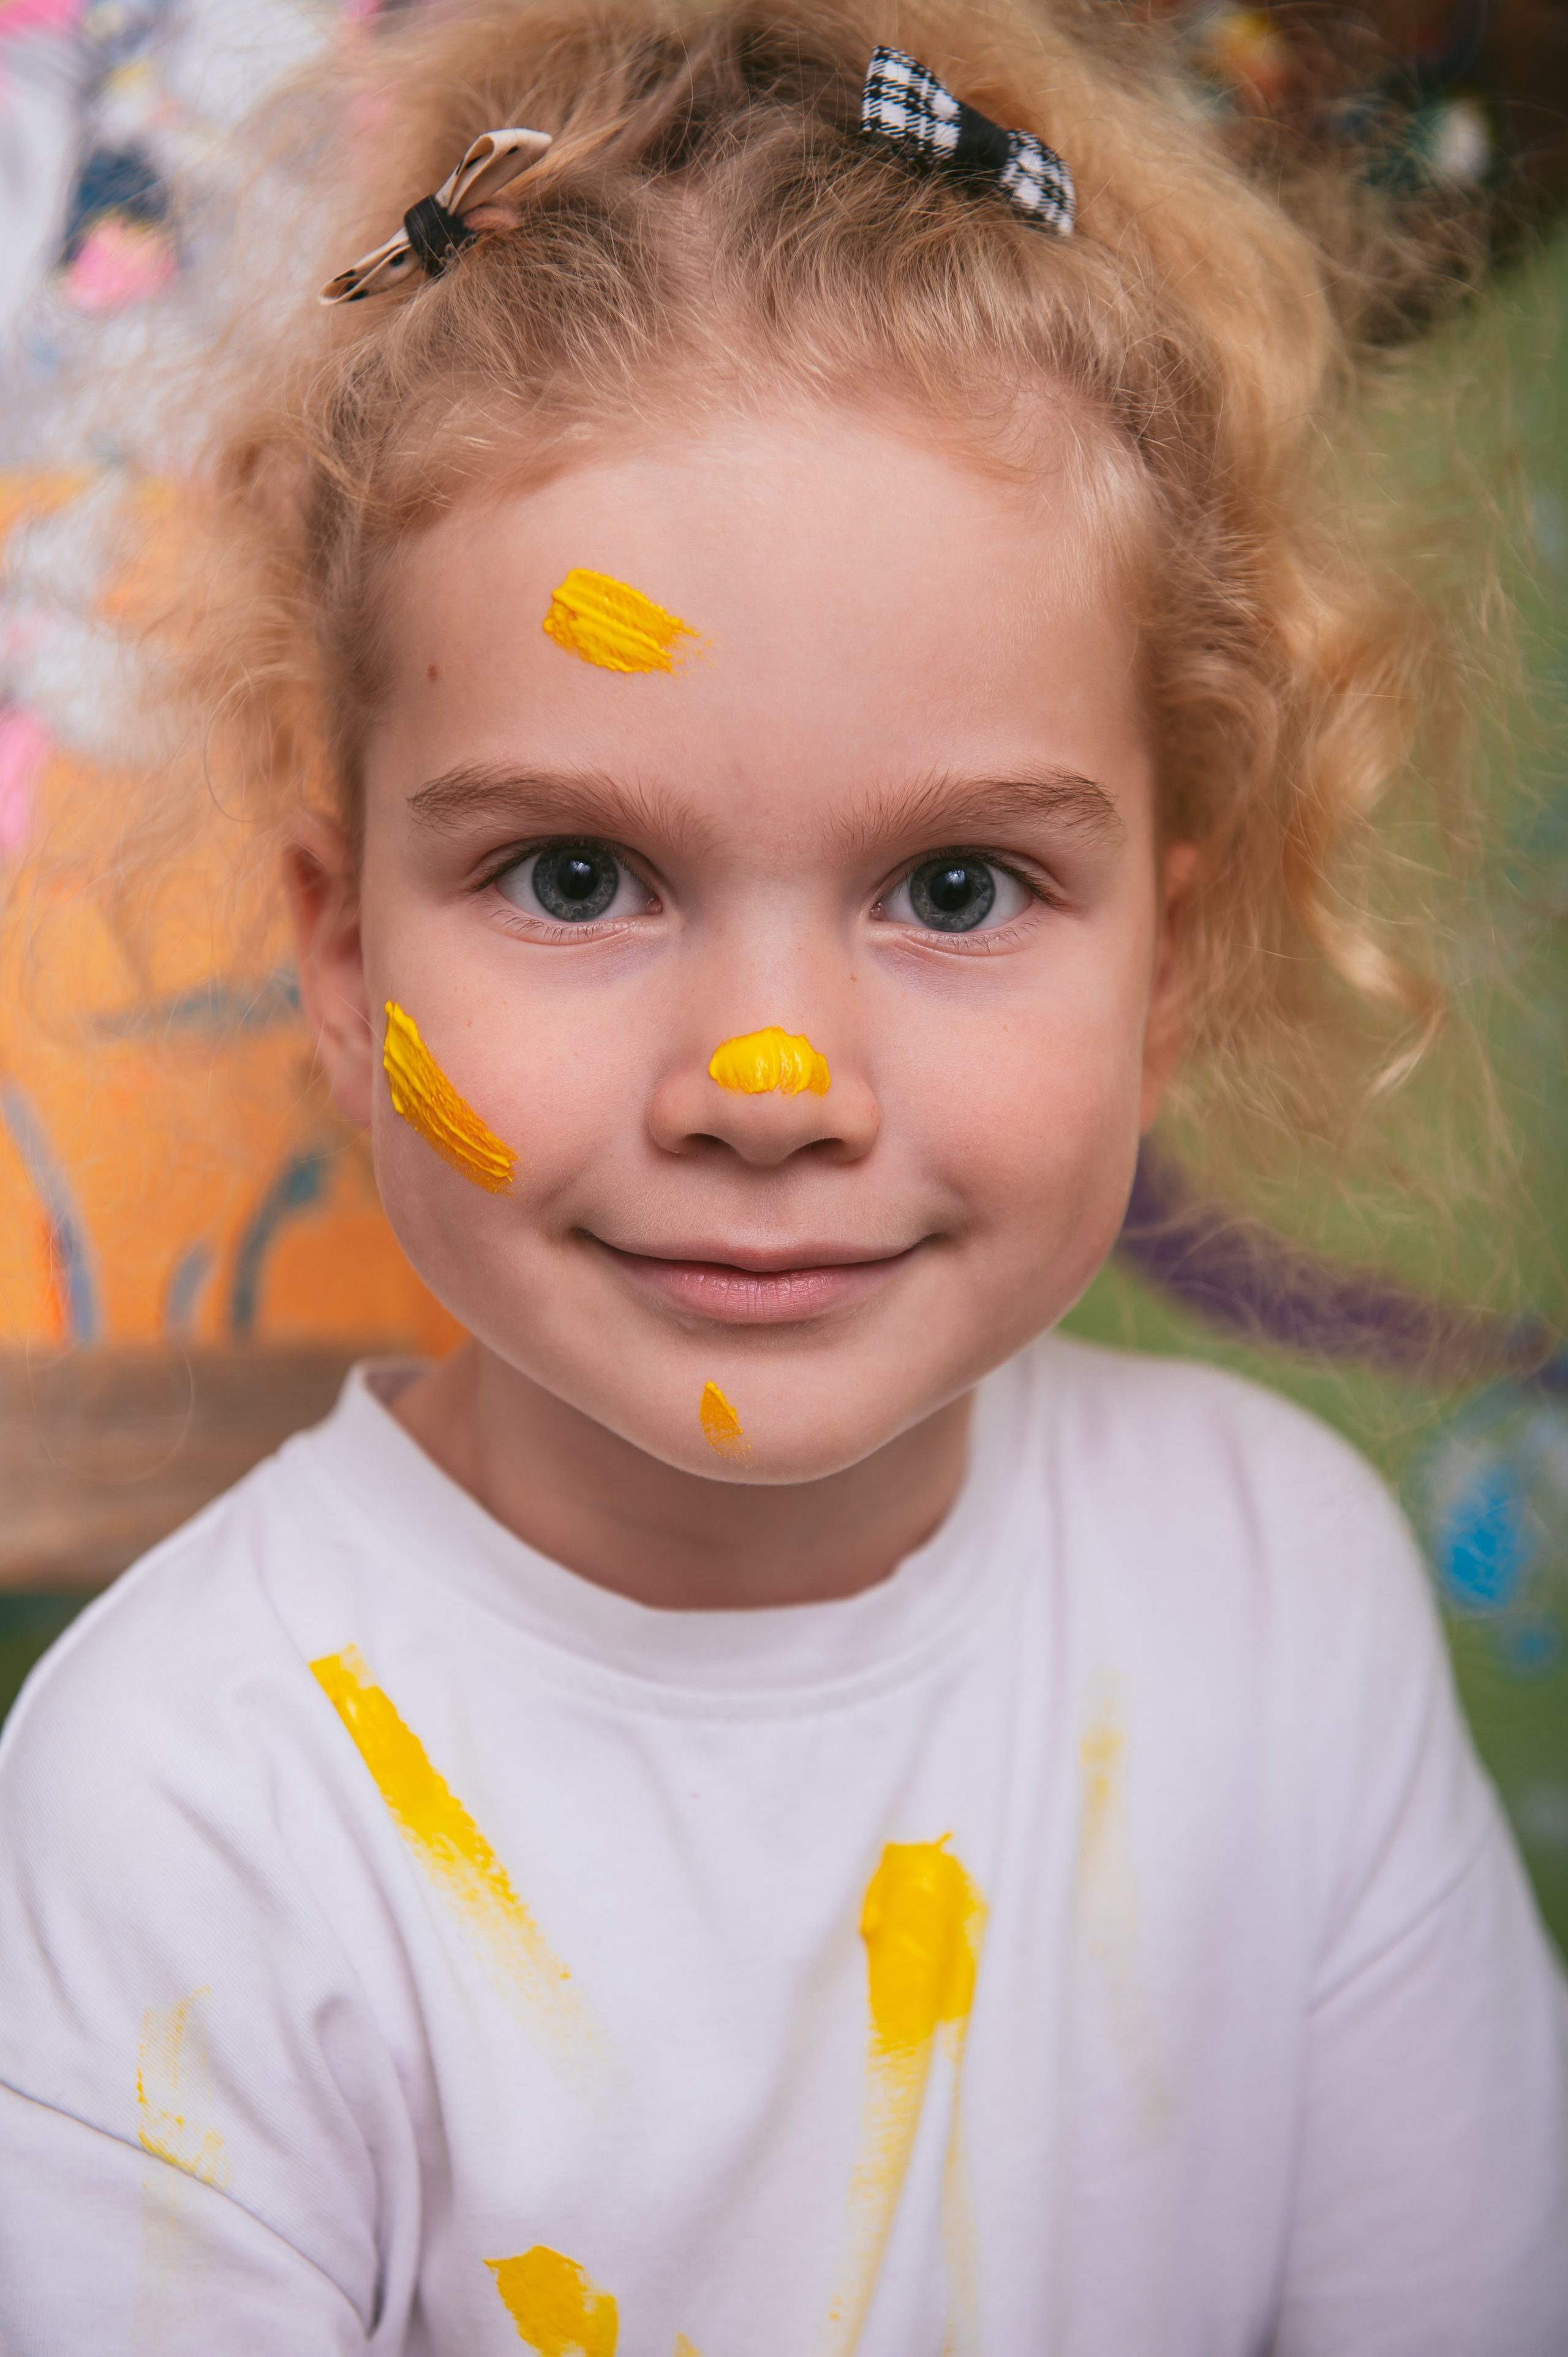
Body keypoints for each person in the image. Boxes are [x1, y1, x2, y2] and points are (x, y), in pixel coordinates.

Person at [1, 2, 1564, 2348]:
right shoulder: (185, 1812)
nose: (767, 1079)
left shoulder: (1288, 1602)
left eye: (953, 891)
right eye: (574, 873)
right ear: (340, 956)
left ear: (1170, 952)